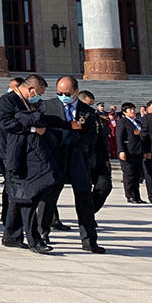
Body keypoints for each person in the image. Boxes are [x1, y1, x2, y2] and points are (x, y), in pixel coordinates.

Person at [39, 76, 103, 253]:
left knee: (84, 198)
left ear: (76, 92)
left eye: (67, 94)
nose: (63, 97)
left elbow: (93, 136)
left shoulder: (87, 112)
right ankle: (42, 234)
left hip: (77, 158)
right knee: (48, 197)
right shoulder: (47, 106)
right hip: (55, 158)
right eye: (59, 93)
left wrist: (76, 141)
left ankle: (89, 240)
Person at [0, 74, 58, 253]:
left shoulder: (29, 102)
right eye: (39, 93)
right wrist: (33, 128)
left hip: (27, 153)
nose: (39, 97)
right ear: (31, 89)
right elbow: (7, 123)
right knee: (27, 197)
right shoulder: (7, 101)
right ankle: (34, 240)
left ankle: (11, 236)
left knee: (18, 197)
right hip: (14, 154)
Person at [79, 90, 113, 213]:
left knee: (104, 186)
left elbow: (100, 139)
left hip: (96, 157)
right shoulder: (74, 114)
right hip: (81, 157)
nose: (90, 108)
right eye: (88, 104)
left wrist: (106, 158)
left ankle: (89, 212)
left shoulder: (93, 115)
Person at [117, 101, 146, 203]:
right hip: (128, 151)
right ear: (124, 112)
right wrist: (121, 150)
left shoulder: (138, 122)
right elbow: (119, 137)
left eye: (133, 109)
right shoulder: (122, 122)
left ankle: (137, 196)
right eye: (130, 109)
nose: (133, 111)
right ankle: (130, 196)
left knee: (137, 174)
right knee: (129, 174)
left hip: (138, 151)